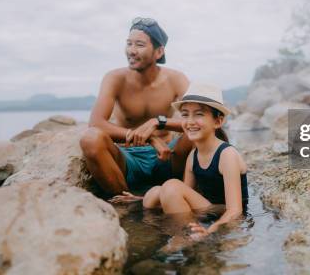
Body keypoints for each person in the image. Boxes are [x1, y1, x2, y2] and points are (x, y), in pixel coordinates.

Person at [80, 17, 192, 200]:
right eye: (129, 44)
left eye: (139, 45)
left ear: (159, 51)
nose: (131, 51)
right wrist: (151, 139)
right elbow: (96, 123)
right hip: (127, 157)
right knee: (90, 138)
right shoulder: (115, 78)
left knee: (201, 134)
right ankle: (125, 201)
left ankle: (189, 191)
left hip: (167, 157)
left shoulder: (176, 78)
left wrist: (159, 122)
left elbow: (199, 121)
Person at [142, 82, 249, 239]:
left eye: (199, 114)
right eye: (185, 114)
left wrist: (210, 231)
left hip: (225, 213)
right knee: (153, 194)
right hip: (207, 209)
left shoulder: (227, 155)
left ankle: (185, 237)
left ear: (218, 121)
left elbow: (235, 211)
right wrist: (137, 200)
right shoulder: (193, 156)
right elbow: (181, 195)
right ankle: (159, 234)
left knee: (171, 186)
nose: (190, 122)